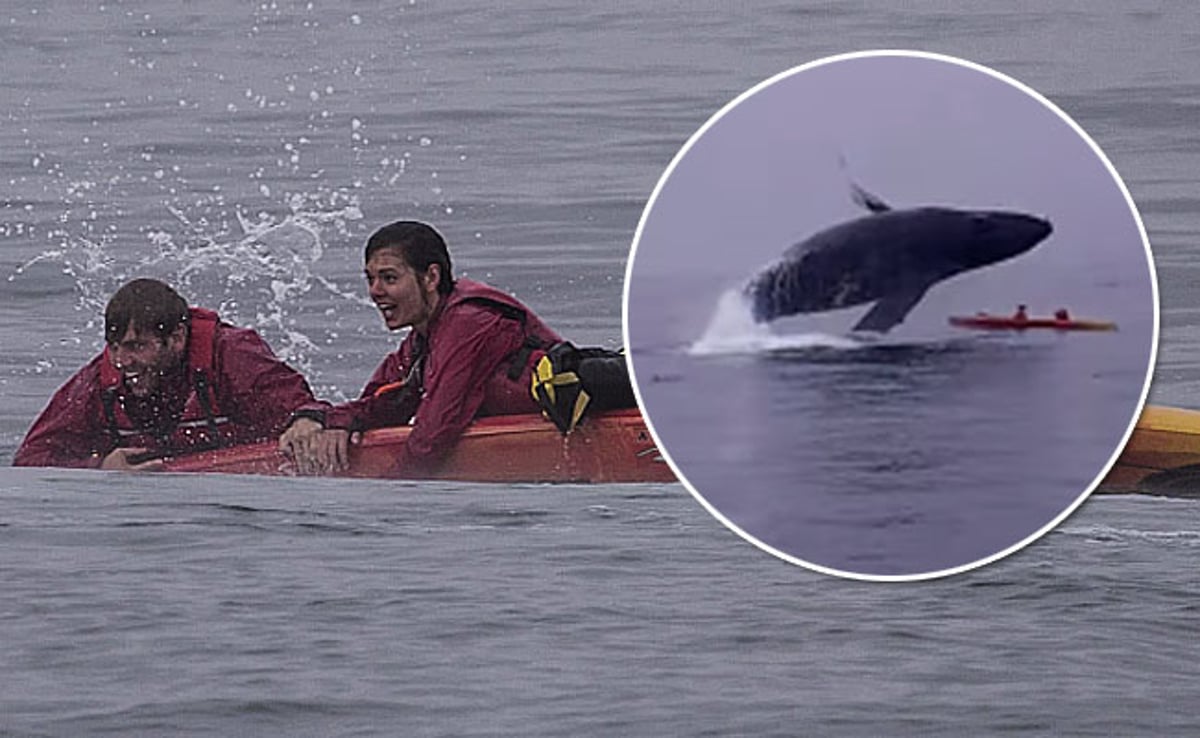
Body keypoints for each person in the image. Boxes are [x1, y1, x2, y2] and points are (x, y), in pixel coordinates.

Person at [280, 220, 563, 476]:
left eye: (389, 278)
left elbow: (432, 436)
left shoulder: (470, 324)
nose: (375, 291)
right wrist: (324, 420)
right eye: (370, 279)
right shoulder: (422, 339)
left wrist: (377, 500)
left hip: (577, 434)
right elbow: (382, 404)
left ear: (431, 278)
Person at [14, 278, 319, 470]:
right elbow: (31, 459)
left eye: (137, 346)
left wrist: (306, 422)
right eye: (115, 347)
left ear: (177, 338)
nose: (122, 361)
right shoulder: (98, 382)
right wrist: (100, 466)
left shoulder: (232, 358)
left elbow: (310, 413)